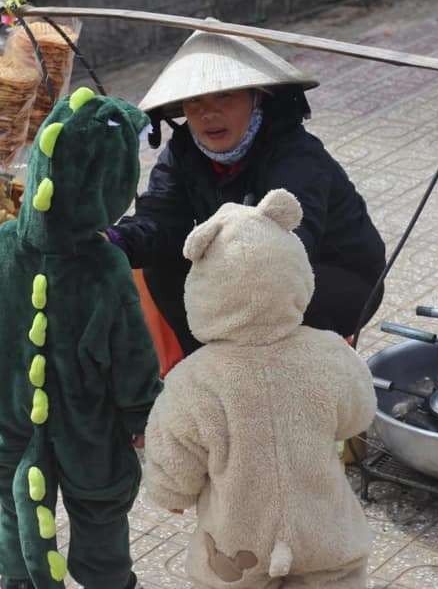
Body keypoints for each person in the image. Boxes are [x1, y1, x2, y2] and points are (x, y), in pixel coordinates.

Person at [0, 88, 162, 589]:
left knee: (15, 505)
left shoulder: (3, 245)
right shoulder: (103, 265)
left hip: (11, 418)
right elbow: (130, 352)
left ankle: (20, 578)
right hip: (89, 428)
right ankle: (106, 580)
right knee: (100, 514)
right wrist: (140, 414)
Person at [143, 189, 377, 588]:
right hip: (326, 535)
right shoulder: (329, 353)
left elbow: (172, 454)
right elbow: (358, 415)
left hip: (235, 546)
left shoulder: (192, 380)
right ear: (295, 272)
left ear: (203, 287)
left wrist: (172, 494)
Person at [106, 30, 386, 356]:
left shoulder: (295, 154)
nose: (208, 113)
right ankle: (206, 367)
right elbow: (160, 220)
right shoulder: (182, 154)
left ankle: (275, 377)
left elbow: (291, 247)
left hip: (334, 276)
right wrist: (114, 241)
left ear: (257, 97)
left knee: (268, 294)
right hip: (237, 275)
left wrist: (225, 277)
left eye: (224, 96)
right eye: (195, 100)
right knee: (161, 265)